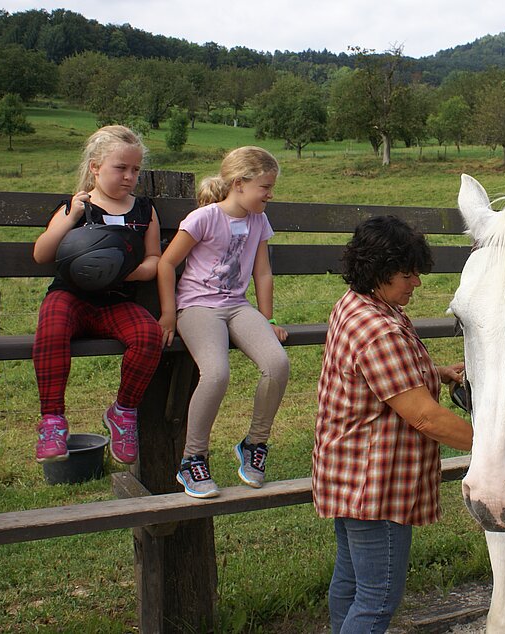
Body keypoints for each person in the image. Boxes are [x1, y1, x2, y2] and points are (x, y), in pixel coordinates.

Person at [312, 215, 473, 634]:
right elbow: (425, 416)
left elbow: (372, 377)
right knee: (378, 598)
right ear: (379, 271)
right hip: (375, 486)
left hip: (346, 476)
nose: (416, 282)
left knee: (349, 586)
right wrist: (494, 444)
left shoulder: (356, 304)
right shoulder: (380, 330)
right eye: (408, 272)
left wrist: (435, 372)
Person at [158, 146, 290, 499]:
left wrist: (267, 318)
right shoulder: (204, 218)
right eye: (265, 186)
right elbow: (166, 264)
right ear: (239, 184)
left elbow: (262, 272)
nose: (270, 194)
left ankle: (254, 444)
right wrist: (169, 313)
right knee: (216, 373)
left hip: (236, 306)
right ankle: (192, 458)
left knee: (277, 363)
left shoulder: (258, 220)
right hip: (197, 307)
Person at [32, 125, 162, 466]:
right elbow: (42, 254)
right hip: (71, 296)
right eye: (121, 168)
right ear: (95, 167)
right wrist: (71, 216)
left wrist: (125, 271)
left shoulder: (144, 211)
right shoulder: (78, 206)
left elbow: (153, 260)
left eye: (135, 170)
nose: (129, 177)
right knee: (52, 326)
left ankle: (123, 411)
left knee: (149, 335)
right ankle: (52, 421)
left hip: (116, 301)